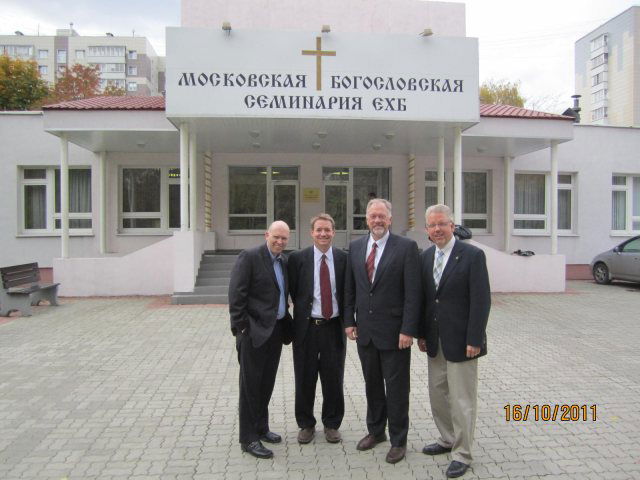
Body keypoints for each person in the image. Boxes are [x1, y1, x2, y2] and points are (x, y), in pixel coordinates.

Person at [344, 198, 421, 464]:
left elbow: (413, 293)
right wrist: (348, 321)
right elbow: (350, 289)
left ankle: (399, 440)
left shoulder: (406, 247)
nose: (377, 221)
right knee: (372, 386)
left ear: (390, 219)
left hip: (395, 334)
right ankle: (376, 432)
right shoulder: (355, 247)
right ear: (366, 219)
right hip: (365, 333)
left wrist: (408, 329)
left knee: (397, 389)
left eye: (382, 216)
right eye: (372, 216)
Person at [418, 204, 491, 478]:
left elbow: (481, 300)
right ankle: (447, 438)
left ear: (452, 226)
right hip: (435, 341)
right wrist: (422, 334)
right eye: (432, 225)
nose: (437, 229)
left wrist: (475, 338)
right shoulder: (425, 258)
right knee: (438, 395)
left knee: (462, 399)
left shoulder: (471, 255)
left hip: (462, 342)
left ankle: (463, 453)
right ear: (426, 230)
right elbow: (427, 301)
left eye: (442, 224)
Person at [228, 220, 293, 459]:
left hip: (275, 332)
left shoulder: (284, 261)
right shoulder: (250, 257)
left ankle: (261, 428)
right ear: (267, 234)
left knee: (266, 384)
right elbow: (236, 296)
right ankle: (248, 439)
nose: (280, 241)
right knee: (249, 388)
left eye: (284, 238)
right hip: (253, 333)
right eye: (276, 237)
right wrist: (242, 329)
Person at [288, 213, 347, 444]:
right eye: (319, 230)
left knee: (333, 377)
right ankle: (306, 424)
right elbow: (294, 290)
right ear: (311, 232)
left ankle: (332, 424)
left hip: (334, 327)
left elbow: (347, 292)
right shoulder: (298, 258)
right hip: (306, 328)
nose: (323, 234)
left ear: (334, 232)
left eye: (327, 230)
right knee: (305, 377)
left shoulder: (343, 259)